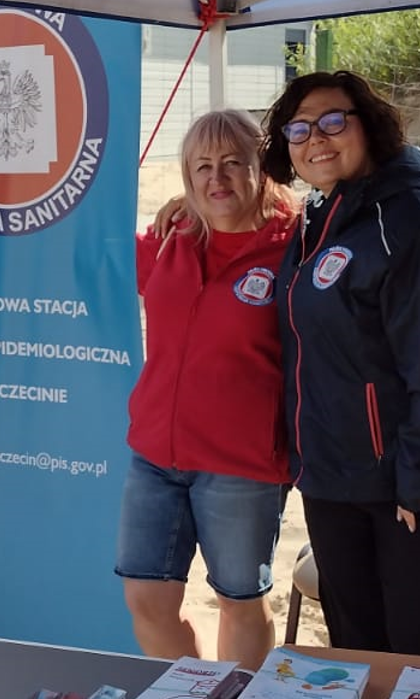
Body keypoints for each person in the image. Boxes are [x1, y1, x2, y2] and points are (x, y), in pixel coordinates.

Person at [268, 70, 420, 659]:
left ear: (371, 126)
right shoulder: (320, 217)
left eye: (333, 121)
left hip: (416, 493)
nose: (316, 137)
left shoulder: (415, 221)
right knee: (356, 661)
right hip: (336, 483)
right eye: (299, 128)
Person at [119, 109, 296, 669]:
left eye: (231, 164)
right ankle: (197, 687)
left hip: (240, 462)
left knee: (239, 600)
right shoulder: (170, 237)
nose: (216, 179)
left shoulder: (294, 246)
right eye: (202, 167)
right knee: (146, 602)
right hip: (155, 454)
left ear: (260, 169)